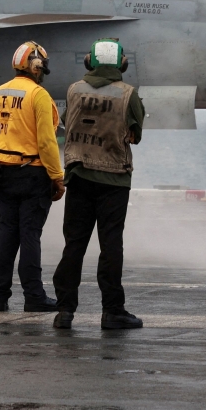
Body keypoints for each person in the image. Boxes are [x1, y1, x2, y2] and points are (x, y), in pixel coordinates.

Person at [51, 38, 145, 330]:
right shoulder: (128, 94)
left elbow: (68, 124)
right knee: (111, 245)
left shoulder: (74, 89)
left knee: (74, 245)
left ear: (89, 62)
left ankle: (64, 311)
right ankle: (112, 311)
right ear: (122, 64)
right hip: (114, 179)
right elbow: (135, 135)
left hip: (78, 176)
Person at [0, 41, 65, 312]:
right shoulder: (39, 95)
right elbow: (46, 142)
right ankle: (34, 296)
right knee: (30, 236)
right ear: (36, 65)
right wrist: (57, 176)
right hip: (33, 174)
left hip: (4, 173)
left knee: (5, 236)